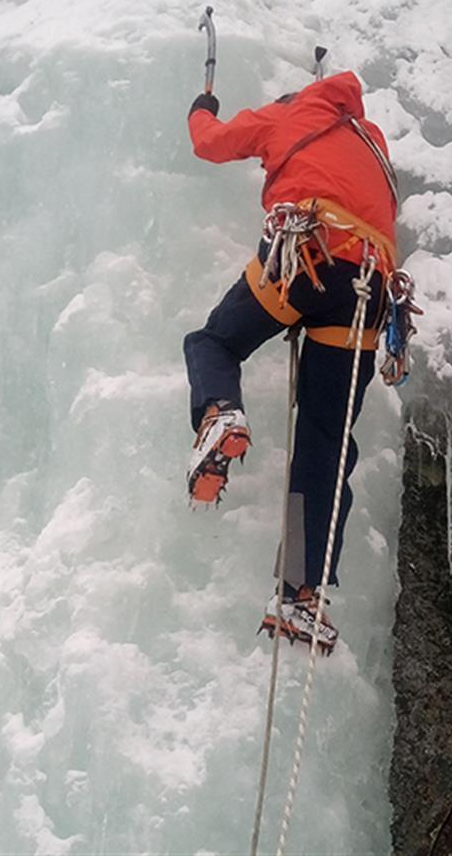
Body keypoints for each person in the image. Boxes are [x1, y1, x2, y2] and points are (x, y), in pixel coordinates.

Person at [182, 69, 398, 653]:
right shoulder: (371, 140)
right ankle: (301, 594)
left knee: (213, 344)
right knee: (324, 444)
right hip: (367, 291)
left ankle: (221, 412)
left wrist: (202, 106)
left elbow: (212, 141)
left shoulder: (288, 113)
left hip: (304, 253)